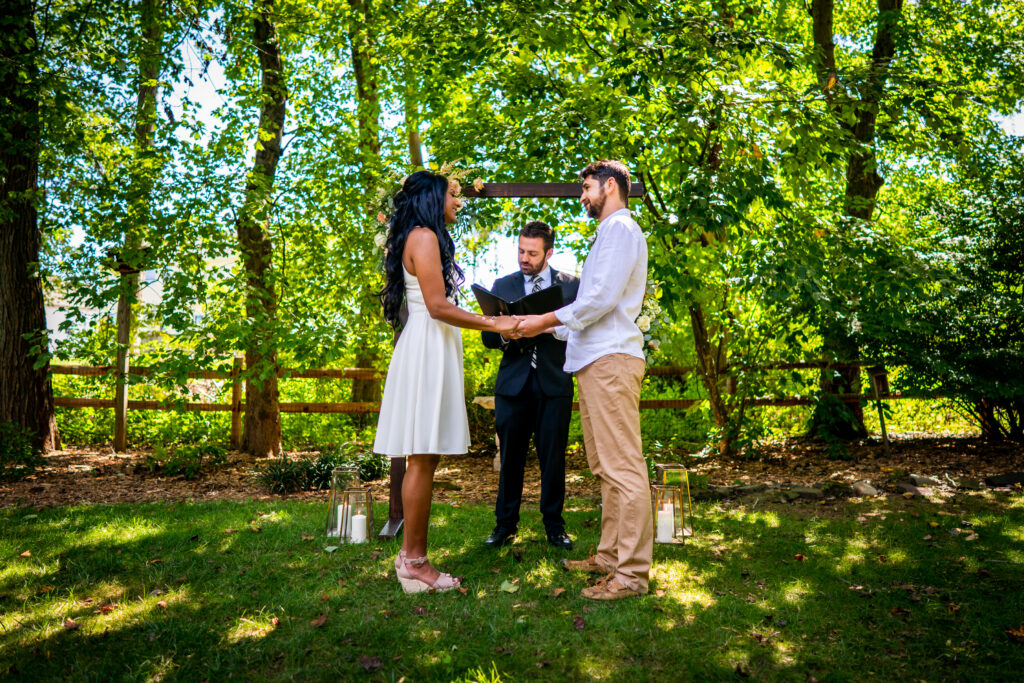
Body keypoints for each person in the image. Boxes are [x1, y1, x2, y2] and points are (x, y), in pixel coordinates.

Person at [374, 170, 520, 594]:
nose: (458, 203)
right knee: (422, 456)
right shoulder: (424, 237)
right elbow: (437, 306)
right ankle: (416, 563)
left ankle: (410, 558)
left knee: (427, 455)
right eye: (453, 196)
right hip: (426, 347)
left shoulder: (419, 236)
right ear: (434, 198)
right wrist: (495, 322)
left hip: (431, 346)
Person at [512, 160, 651, 600]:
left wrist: (538, 321)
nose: (582, 196)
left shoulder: (621, 231)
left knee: (624, 469)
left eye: (587, 187)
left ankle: (630, 576)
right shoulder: (607, 234)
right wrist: (537, 323)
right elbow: (586, 316)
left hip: (612, 360)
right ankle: (610, 556)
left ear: (611, 186)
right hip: (595, 359)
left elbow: (598, 300)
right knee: (605, 468)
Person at [481, 221, 580, 550]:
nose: (524, 257)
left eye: (532, 253)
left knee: (554, 459)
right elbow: (487, 337)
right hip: (513, 385)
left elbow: (582, 330)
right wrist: (503, 332)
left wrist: (544, 326)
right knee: (510, 458)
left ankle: (554, 526)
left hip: (554, 383)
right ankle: (504, 525)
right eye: (521, 250)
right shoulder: (502, 284)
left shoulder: (572, 286)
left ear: (549, 253)